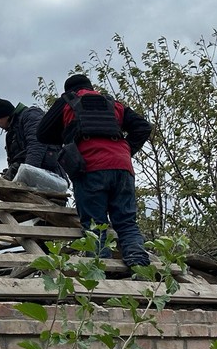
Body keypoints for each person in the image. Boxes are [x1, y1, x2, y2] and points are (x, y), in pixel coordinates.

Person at [34, 74, 153, 267]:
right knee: (127, 222)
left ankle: (100, 271)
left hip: (90, 167)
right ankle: (139, 265)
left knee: (94, 225)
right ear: (91, 87)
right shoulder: (112, 103)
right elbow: (143, 127)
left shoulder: (68, 101)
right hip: (122, 167)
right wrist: (126, 149)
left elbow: (42, 133)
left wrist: (69, 137)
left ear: (68, 91)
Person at [0, 98, 65, 182]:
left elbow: (37, 145)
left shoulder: (30, 116)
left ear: (4, 115)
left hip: (47, 175)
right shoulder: (11, 134)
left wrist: (27, 174)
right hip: (36, 176)